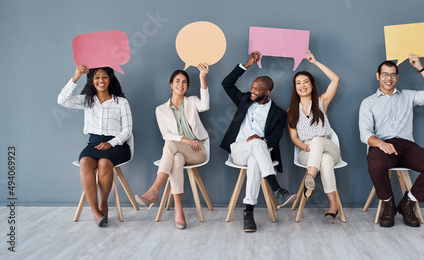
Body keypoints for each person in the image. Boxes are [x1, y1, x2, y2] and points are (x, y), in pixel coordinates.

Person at [359, 54, 424, 228]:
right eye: (385, 74)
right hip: (381, 145)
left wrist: (420, 67)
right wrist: (381, 144)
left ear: (397, 77)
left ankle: (408, 203)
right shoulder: (368, 103)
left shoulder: (408, 96)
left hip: (406, 146)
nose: (388, 78)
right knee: (375, 164)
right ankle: (388, 204)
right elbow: (365, 134)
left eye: (392, 75)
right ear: (378, 76)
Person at [220, 51, 296, 233]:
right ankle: (277, 188)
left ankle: (248, 212)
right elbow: (226, 83)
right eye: (252, 87)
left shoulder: (278, 113)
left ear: (267, 92)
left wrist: (261, 139)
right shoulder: (244, 100)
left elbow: (275, 137)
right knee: (255, 145)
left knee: (256, 157)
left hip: (260, 152)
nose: (252, 91)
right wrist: (247, 65)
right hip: (238, 149)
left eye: (257, 89)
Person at [135, 63, 210, 229]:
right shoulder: (161, 109)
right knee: (176, 158)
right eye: (177, 81)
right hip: (180, 149)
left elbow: (205, 106)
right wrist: (185, 140)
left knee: (169, 146)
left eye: (184, 82)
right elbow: (166, 134)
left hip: (197, 150)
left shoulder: (192, 101)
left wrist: (202, 79)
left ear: (187, 86)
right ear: (171, 84)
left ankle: (155, 189)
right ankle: (179, 210)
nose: (180, 85)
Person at [58, 65, 132, 227]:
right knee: (85, 162)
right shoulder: (87, 100)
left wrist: (110, 143)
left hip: (117, 145)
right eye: (97, 77)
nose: (101, 80)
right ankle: (94, 210)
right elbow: (62, 100)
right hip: (93, 144)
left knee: (104, 163)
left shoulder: (121, 102)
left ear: (110, 79)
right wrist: (75, 77)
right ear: (92, 80)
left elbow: (127, 131)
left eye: (105, 77)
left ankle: (103, 204)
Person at [288, 50, 346, 223]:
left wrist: (315, 62)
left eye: (306, 82)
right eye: (298, 83)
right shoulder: (291, 111)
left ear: (312, 85)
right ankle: (333, 206)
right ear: (295, 88)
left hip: (329, 145)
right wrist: (305, 147)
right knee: (325, 161)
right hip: (307, 151)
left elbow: (336, 80)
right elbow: (293, 138)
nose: (302, 85)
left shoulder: (322, 102)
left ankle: (310, 177)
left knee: (319, 141)